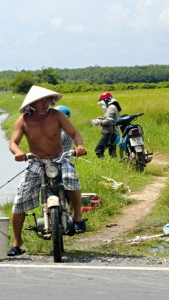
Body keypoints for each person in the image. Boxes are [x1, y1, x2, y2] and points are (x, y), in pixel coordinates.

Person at [8, 85, 86, 257]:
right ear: (32, 104)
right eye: (40, 101)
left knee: (71, 178)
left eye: (47, 100)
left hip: (60, 158)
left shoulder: (57, 115)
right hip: (36, 161)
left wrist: (79, 146)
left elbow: (75, 133)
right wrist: (19, 152)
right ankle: (17, 242)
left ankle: (79, 217)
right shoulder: (23, 121)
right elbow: (13, 142)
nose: (45, 104)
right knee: (20, 199)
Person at [91, 92, 122, 159]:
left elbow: (109, 121)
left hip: (109, 132)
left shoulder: (111, 107)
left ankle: (103, 163)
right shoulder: (114, 106)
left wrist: (99, 122)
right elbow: (112, 119)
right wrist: (103, 118)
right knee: (112, 153)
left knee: (98, 150)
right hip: (114, 132)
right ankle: (114, 165)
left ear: (105, 100)